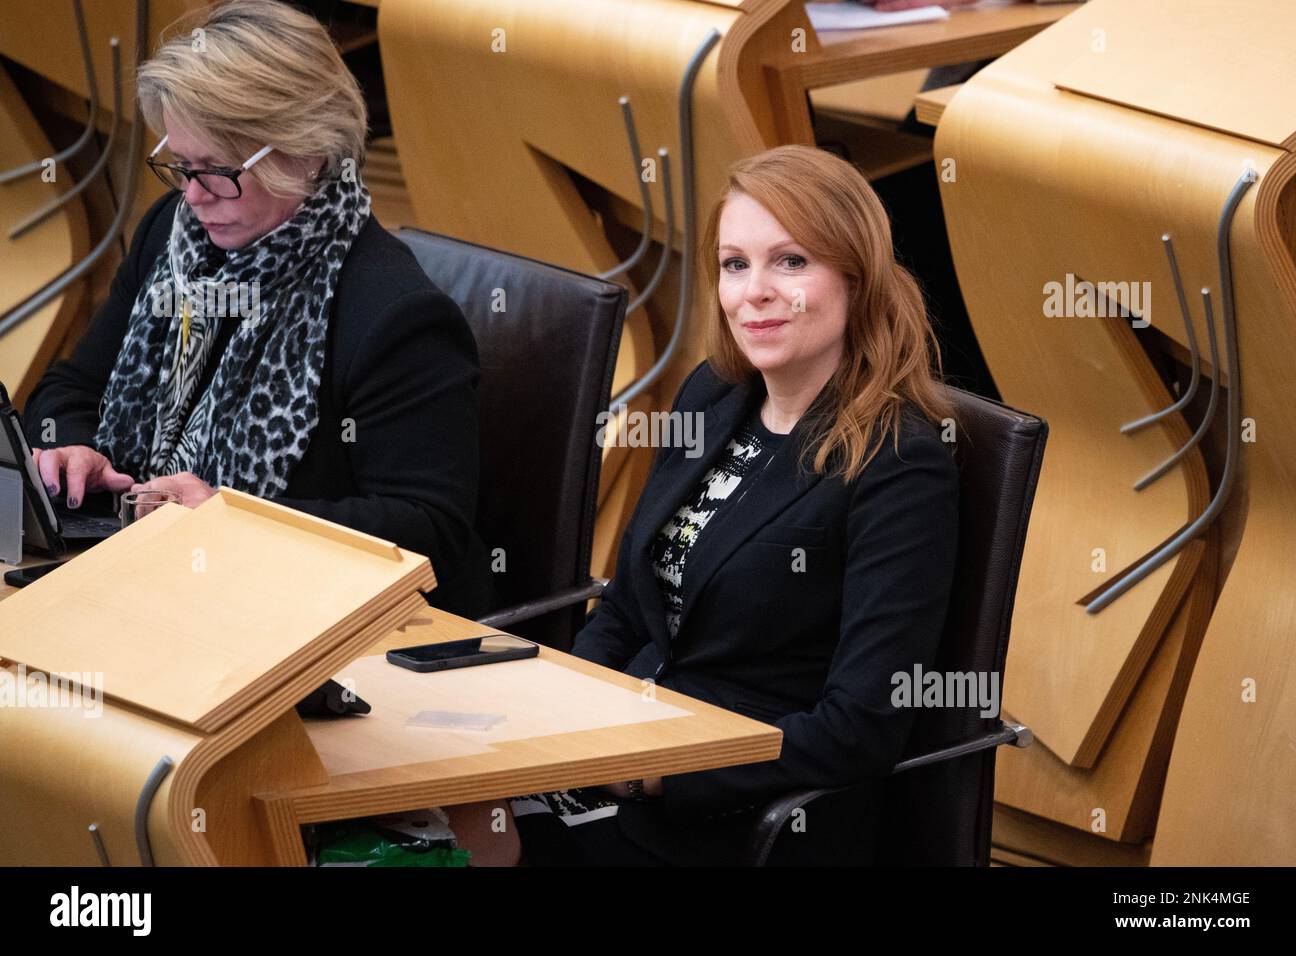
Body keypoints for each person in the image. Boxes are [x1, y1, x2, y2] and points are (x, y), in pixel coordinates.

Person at [508, 144, 961, 865]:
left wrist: (658, 775)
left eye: (791, 262)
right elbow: (625, 609)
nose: (754, 291)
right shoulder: (712, 395)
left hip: (736, 815)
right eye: (734, 264)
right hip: (624, 754)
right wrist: (575, 714)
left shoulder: (900, 466)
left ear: (855, 275)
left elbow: (859, 729)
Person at [21, 0, 490, 617]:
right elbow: (73, 386)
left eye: (218, 172)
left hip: (315, 626)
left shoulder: (395, 315)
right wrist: (76, 450)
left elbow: (429, 529)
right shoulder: (173, 234)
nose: (193, 196)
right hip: (156, 581)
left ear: (309, 152)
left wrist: (229, 518)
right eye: (182, 167)